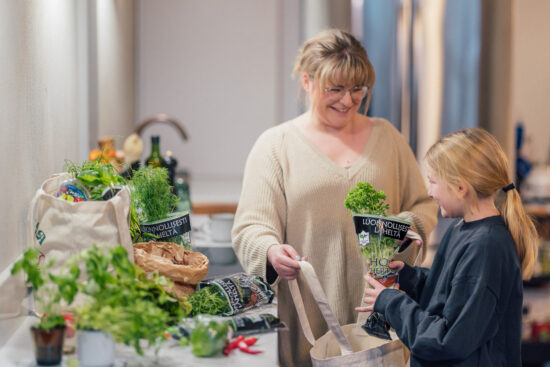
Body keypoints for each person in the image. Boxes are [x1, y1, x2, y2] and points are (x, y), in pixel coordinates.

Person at [232, 29, 438, 367]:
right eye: (335, 89)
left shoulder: (389, 139)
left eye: (357, 89)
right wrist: (270, 251)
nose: (347, 100)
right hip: (307, 318)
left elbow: (423, 205)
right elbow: (251, 226)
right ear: (307, 81)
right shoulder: (275, 146)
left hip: (381, 314)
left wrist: (400, 228)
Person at [358, 128, 539, 366]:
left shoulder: (485, 247)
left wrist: (392, 303)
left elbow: (448, 340)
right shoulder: (463, 228)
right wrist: (409, 277)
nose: (430, 193)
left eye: (433, 182)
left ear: (461, 188)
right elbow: (451, 296)